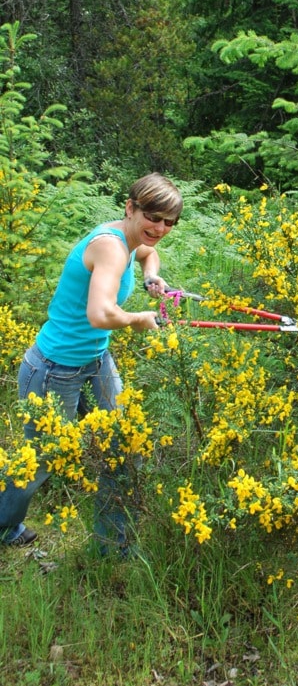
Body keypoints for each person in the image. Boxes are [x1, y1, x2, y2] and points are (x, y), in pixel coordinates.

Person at [0, 173, 183, 555]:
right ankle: (4, 525)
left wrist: (152, 278)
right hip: (53, 368)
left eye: (169, 221)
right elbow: (100, 314)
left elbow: (147, 253)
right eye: (153, 216)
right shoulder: (111, 247)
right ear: (130, 208)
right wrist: (138, 318)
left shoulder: (132, 240)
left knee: (122, 448)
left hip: (95, 360)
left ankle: (112, 550)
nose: (160, 228)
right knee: (42, 461)